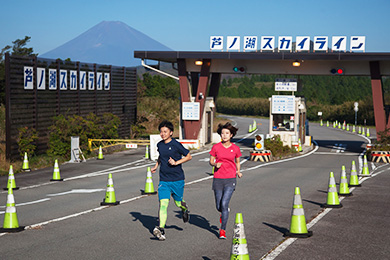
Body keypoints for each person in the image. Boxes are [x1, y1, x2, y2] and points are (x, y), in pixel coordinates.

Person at [151, 120, 192, 241]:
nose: (162, 134)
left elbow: (189, 156)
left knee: (178, 203)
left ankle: (184, 209)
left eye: (165, 131)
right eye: (161, 132)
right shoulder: (159, 145)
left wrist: (176, 162)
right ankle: (161, 229)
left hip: (177, 179)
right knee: (163, 204)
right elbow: (161, 157)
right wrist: (156, 165)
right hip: (164, 180)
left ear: (171, 133)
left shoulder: (176, 144)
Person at [209, 122, 242, 239]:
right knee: (219, 206)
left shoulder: (235, 148)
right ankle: (224, 211)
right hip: (218, 178)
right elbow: (211, 160)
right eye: (222, 133)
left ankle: (222, 230)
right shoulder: (216, 147)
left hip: (230, 178)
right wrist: (215, 163)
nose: (224, 135)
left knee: (224, 203)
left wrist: (238, 171)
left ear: (231, 135)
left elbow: (237, 161)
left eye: (227, 133)